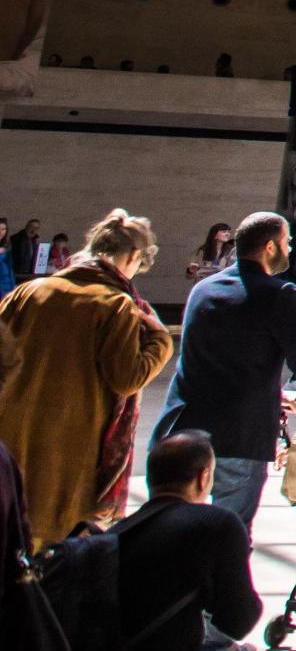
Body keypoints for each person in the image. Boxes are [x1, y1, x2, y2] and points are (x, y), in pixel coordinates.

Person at [154, 210, 296, 530]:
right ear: (270, 247)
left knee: (177, 527)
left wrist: (276, 396)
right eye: (286, 242)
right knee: (229, 532)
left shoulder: (203, 289)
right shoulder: (279, 295)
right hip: (237, 435)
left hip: (183, 428)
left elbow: (213, 359)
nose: (290, 249)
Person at [0, 206, 176, 539]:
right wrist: (160, 341)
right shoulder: (116, 305)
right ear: (133, 256)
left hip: (9, 441)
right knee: (50, 545)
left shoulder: (29, 292)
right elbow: (128, 377)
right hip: (68, 450)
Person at [101, 429, 262, 649]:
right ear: (203, 477)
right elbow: (238, 622)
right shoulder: (215, 523)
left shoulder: (115, 536)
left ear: (150, 478)